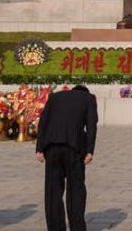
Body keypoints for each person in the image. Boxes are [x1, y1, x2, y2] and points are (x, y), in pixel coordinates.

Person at [35, 85, 99, 231]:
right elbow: (91, 125)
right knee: (75, 190)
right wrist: (90, 151)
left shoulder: (55, 97)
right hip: (74, 148)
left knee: (53, 192)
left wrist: (39, 148)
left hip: (52, 148)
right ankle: (77, 227)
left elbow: (43, 122)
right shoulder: (88, 98)